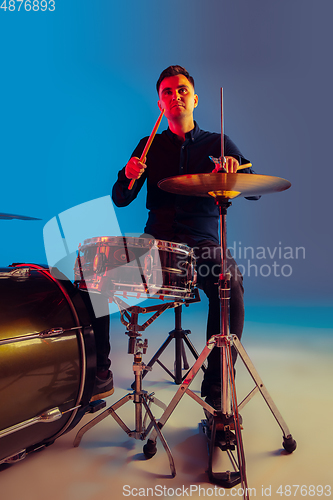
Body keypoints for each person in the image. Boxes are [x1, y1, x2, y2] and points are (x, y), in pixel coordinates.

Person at [112, 65, 258, 409]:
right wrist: (127, 174)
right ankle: (100, 372)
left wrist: (237, 171)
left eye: (181, 90)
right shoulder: (149, 145)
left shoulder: (218, 143)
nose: (174, 96)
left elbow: (254, 190)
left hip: (201, 245)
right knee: (91, 272)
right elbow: (121, 198)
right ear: (161, 104)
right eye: (166, 92)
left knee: (229, 282)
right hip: (155, 243)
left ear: (193, 98)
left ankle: (218, 385)